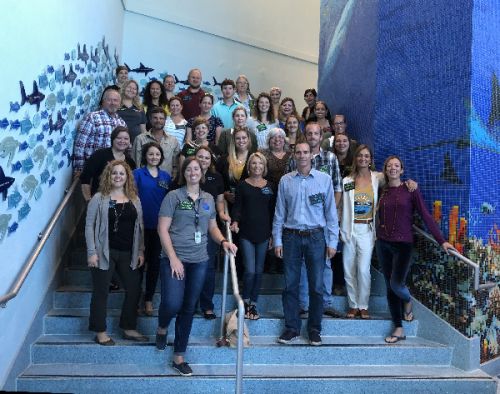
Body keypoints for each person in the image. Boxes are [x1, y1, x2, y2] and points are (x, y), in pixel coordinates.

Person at [155, 157, 237, 376]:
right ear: (184, 173)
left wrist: (223, 241)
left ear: (202, 172)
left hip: (199, 260)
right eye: (189, 169)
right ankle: (162, 327)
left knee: (189, 307)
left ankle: (179, 355)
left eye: (197, 169)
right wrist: (173, 258)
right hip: (174, 259)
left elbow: (212, 227)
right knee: (172, 303)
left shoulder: (208, 198)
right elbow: (162, 229)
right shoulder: (173, 196)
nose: (193, 172)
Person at [376, 156, 454, 343]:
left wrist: (441, 240)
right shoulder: (383, 191)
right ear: (385, 170)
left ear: (402, 170)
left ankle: (408, 299)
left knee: (396, 285)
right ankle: (398, 327)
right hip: (382, 243)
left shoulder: (411, 189)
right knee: (389, 287)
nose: (393, 168)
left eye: (397, 166)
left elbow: (426, 216)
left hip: (403, 244)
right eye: (389, 166)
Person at [273, 142, 339, 346]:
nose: (302, 156)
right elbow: (279, 213)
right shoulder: (285, 181)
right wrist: (277, 239)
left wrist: (333, 241)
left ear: (312, 155)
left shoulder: (324, 180)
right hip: (291, 237)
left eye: (305, 152)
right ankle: (292, 328)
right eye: (298, 152)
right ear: (294, 155)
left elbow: (331, 213)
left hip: (316, 237)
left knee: (317, 287)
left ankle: (314, 329)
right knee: (290, 285)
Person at [85, 160, 146, 345]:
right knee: (101, 291)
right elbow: (89, 226)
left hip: (129, 251)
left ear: (127, 177)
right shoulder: (99, 198)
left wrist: (141, 250)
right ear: (108, 176)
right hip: (104, 252)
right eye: (114, 173)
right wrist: (91, 252)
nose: (118, 176)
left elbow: (140, 226)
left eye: (121, 173)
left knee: (134, 289)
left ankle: (128, 327)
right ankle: (100, 331)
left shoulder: (134, 199)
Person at [288, 122, 342, 318]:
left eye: (315, 133)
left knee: (326, 262)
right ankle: (303, 304)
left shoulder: (330, 158)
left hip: (323, 222)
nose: (312, 136)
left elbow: (337, 189)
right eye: (309, 133)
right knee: (303, 263)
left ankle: (325, 302)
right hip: (301, 222)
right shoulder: (295, 158)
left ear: (321, 137)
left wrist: (330, 215)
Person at [231, 152, 275, 320]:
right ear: (249, 166)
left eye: (260, 164)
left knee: (258, 271)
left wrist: (273, 234)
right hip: (246, 233)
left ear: (264, 167)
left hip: (264, 233)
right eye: (254, 163)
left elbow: (273, 212)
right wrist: (235, 221)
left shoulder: (270, 186)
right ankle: (245, 301)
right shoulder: (242, 185)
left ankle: (253, 304)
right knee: (249, 270)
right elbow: (237, 207)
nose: (257, 166)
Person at [133, 142, 172, 316]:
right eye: (151, 154)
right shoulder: (137, 174)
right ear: (145, 156)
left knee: (154, 264)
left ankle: (148, 299)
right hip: (140, 226)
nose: (154, 157)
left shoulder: (166, 177)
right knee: (138, 263)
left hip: (159, 228)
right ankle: (134, 298)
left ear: (161, 157)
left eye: (157, 154)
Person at [195, 146, 230, 319]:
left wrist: (222, 213)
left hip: (209, 227)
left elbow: (220, 200)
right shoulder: (188, 174)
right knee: (190, 266)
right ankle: (190, 302)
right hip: (188, 229)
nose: (203, 160)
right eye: (200, 157)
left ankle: (206, 305)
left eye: (206, 158)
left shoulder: (216, 177)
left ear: (211, 161)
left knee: (208, 268)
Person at [73, 87, 126, 174]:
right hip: (93, 168)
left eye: (115, 100)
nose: (113, 103)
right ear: (103, 101)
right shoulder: (92, 117)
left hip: (113, 172)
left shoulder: (122, 123)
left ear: (119, 104)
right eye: (109, 100)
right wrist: (79, 168)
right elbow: (80, 144)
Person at [80, 126, 136, 201]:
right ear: (113, 139)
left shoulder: (130, 162)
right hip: (99, 201)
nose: (122, 141)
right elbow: (85, 179)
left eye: (126, 139)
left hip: (121, 203)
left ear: (129, 142)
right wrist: (88, 200)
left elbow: (130, 185)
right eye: (119, 138)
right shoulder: (100, 155)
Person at [132, 107, 180, 180]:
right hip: (144, 182)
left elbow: (176, 165)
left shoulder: (173, 141)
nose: (158, 120)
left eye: (161, 118)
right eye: (155, 118)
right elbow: (136, 163)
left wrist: (172, 180)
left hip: (166, 181)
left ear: (165, 120)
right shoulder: (140, 139)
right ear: (150, 120)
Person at [216, 127, 252, 206]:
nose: (241, 141)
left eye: (244, 138)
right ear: (233, 141)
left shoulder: (254, 158)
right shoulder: (224, 160)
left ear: (248, 139)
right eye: (238, 138)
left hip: (248, 204)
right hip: (227, 204)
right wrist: (225, 193)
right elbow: (218, 181)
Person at [262, 128, 292, 192]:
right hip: (269, 191)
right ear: (269, 141)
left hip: (289, 190)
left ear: (284, 140)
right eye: (273, 137)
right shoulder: (263, 156)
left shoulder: (291, 155)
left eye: (280, 137)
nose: (277, 139)